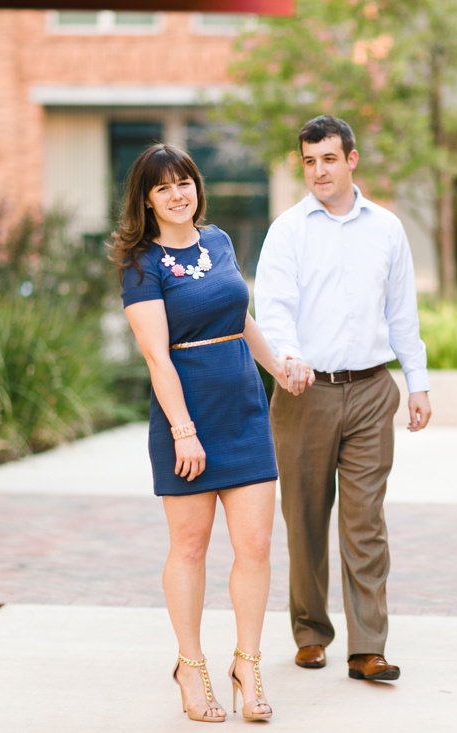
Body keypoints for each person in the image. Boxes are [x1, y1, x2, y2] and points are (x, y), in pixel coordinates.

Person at [111, 143, 311, 723]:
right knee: (191, 547)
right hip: (188, 417)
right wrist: (183, 431)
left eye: (185, 183)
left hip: (245, 410)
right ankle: (191, 666)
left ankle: (247, 664)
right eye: (163, 188)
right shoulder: (141, 264)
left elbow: (238, 318)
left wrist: (279, 367)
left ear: (197, 186)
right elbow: (156, 356)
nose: (178, 195)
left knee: (255, 546)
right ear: (146, 201)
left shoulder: (218, 242)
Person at [254, 115, 432, 682]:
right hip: (303, 392)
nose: (318, 171)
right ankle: (310, 634)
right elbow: (274, 307)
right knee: (304, 520)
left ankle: (367, 648)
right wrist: (287, 358)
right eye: (308, 161)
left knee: (365, 523)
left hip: (371, 391)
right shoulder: (288, 230)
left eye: (328, 158)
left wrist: (417, 382)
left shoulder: (386, 229)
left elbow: (402, 312)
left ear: (351, 159)